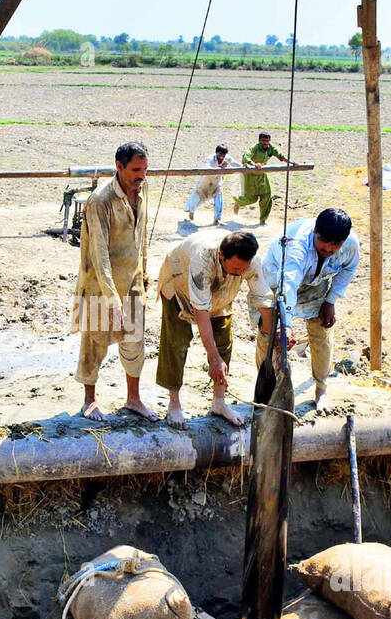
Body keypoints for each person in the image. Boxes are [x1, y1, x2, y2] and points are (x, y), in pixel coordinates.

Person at [71, 141, 161, 422]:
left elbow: (142, 234)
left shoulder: (142, 189)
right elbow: (99, 254)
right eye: (136, 170)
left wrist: (144, 271)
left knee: (135, 342)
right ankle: (89, 400)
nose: (141, 176)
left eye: (145, 169)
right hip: (100, 282)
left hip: (132, 279)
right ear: (119, 167)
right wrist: (111, 298)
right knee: (95, 342)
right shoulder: (100, 200)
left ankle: (133, 399)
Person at [156, 230, 266, 429]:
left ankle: (219, 402)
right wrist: (213, 359)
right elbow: (201, 312)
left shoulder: (250, 261)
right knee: (177, 342)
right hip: (179, 281)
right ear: (222, 256)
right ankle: (174, 403)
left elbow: (264, 300)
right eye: (236, 268)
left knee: (224, 339)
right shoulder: (202, 259)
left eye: (244, 269)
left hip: (220, 291)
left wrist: (273, 333)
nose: (241, 273)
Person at [253, 208, 360, 411]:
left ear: (343, 241)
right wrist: (287, 325)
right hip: (278, 279)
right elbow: (289, 285)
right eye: (323, 243)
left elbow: (349, 268)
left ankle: (321, 389)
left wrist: (331, 300)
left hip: (316, 283)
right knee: (270, 332)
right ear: (315, 233)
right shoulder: (295, 245)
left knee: (323, 329)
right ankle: (266, 391)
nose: (328, 249)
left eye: (334, 246)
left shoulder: (351, 244)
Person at [233, 132, 294, 225]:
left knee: (266, 196)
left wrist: (291, 162)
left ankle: (262, 220)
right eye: (263, 141)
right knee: (251, 199)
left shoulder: (270, 148)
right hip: (251, 175)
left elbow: (280, 156)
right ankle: (238, 202)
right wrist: (254, 164)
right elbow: (246, 156)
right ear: (259, 140)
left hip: (262, 174)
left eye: (267, 141)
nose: (265, 143)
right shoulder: (255, 147)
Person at [183, 144, 235, 225]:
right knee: (196, 199)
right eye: (221, 154)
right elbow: (207, 168)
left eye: (224, 155)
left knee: (219, 202)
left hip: (217, 183)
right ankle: (191, 211)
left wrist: (245, 166)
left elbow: (235, 163)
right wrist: (220, 167)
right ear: (216, 153)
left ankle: (217, 219)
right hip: (206, 182)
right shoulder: (210, 159)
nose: (222, 157)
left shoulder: (226, 158)